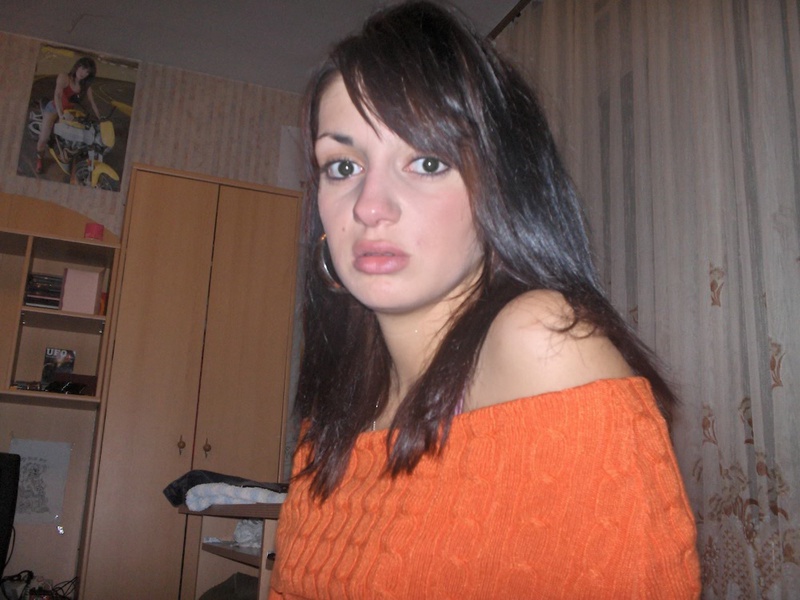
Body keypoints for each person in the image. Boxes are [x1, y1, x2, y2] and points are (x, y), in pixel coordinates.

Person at [269, 2, 701, 598]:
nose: (369, 206)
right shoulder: (335, 412)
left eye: (426, 162)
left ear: (499, 189)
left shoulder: (542, 342)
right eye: (343, 166)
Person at [35, 56, 101, 174]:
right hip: (54, 109)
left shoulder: (85, 86)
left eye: (87, 72)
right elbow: (58, 96)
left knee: (76, 135)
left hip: (69, 112)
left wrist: (100, 119)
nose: (83, 73)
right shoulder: (64, 77)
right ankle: (39, 159)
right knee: (44, 138)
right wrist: (61, 115)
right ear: (77, 66)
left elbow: (92, 103)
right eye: (82, 68)